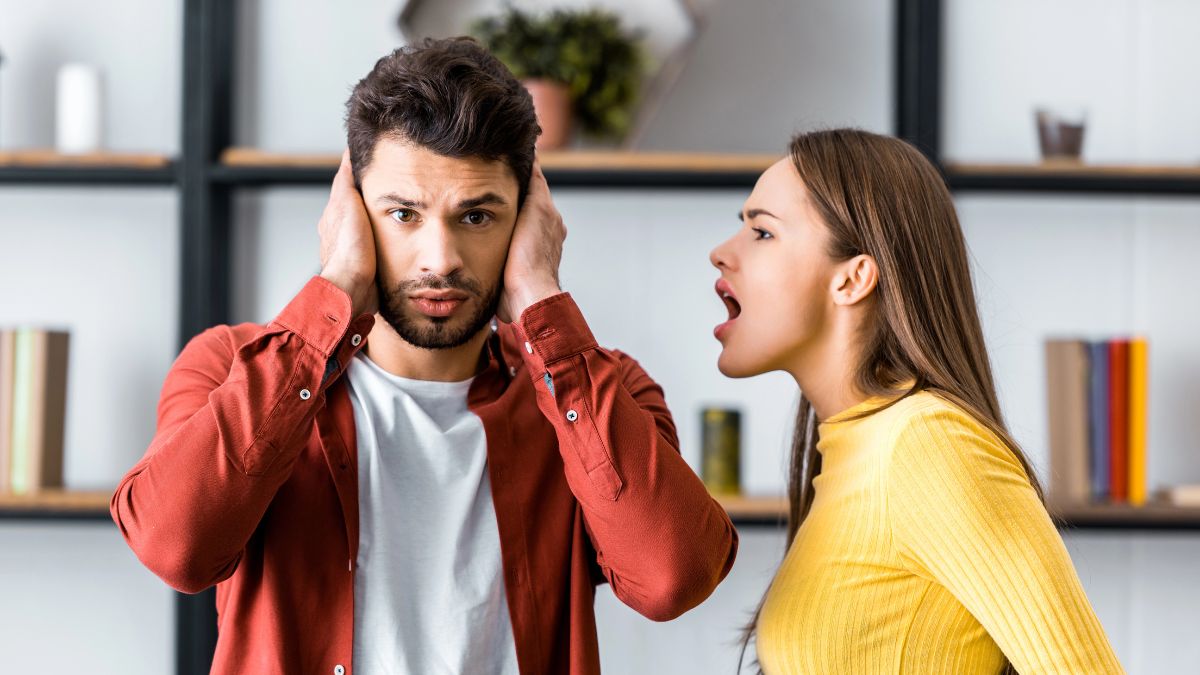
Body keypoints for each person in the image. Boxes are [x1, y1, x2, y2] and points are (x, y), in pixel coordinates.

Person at [111, 37, 737, 675]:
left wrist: (541, 304)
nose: (440, 260)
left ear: (528, 221)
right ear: (350, 212)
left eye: (477, 216)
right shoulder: (230, 367)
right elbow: (176, 549)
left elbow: (673, 578)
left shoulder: (599, 390)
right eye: (403, 213)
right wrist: (332, 295)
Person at [709, 128, 1123, 674]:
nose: (721, 254)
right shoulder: (852, 450)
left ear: (853, 279)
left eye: (761, 232)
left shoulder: (928, 444)